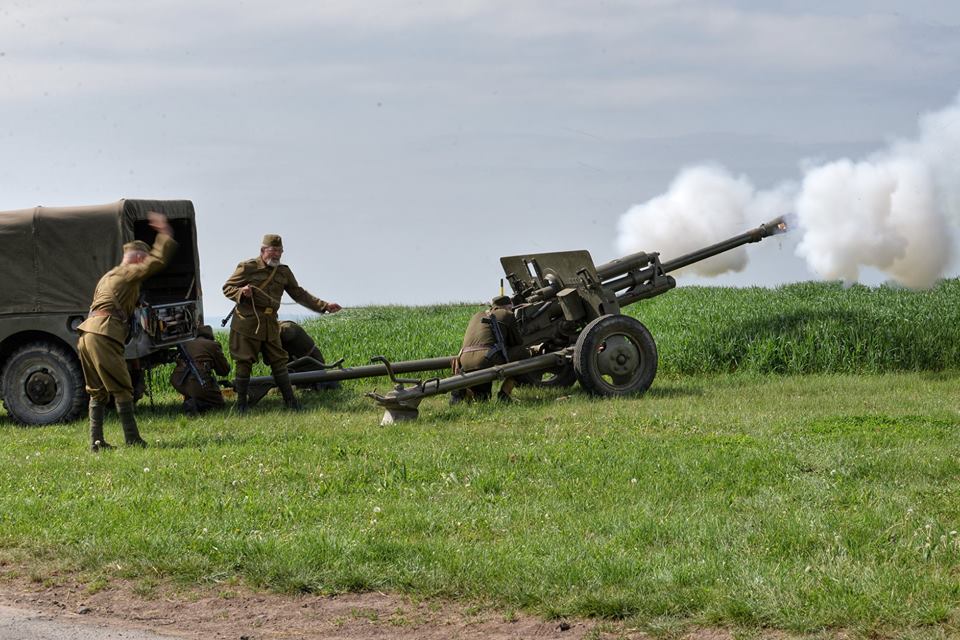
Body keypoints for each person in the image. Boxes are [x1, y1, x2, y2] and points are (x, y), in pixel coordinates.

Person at [77, 212, 177, 451]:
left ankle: (96, 442)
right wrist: (164, 234)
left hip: (86, 334)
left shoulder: (108, 276)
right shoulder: (129, 273)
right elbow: (157, 262)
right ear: (137, 258)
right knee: (122, 389)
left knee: (97, 391)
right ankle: (132, 439)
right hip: (105, 334)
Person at [222, 234, 342, 413]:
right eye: (273, 251)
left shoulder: (283, 272)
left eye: (279, 251)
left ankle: (291, 402)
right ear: (263, 251)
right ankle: (241, 405)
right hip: (247, 324)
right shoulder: (248, 267)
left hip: (270, 324)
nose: (277, 254)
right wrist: (241, 292)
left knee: (279, 362)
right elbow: (227, 288)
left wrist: (324, 306)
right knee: (244, 363)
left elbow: (299, 294)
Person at [451, 295, 528, 403]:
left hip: (464, 361)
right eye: (511, 308)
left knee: (482, 398)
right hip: (486, 359)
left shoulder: (476, 315)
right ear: (507, 307)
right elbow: (518, 342)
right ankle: (504, 393)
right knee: (523, 352)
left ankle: (464, 391)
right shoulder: (507, 314)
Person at [170, 325, 231, 415]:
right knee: (218, 404)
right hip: (197, 381)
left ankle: (191, 399)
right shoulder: (212, 345)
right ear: (210, 336)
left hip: (178, 380)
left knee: (194, 388)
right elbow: (224, 370)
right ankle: (194, 404)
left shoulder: (186, 343)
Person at [279, 320, 340, 390]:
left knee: (318, 381)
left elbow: (288, 333)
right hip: (299, 364)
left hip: (311, 362)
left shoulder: (286, 327)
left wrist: (274, 338)